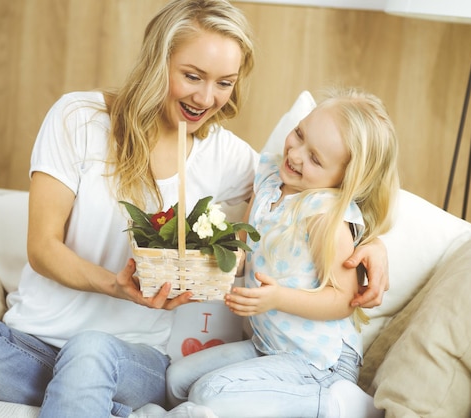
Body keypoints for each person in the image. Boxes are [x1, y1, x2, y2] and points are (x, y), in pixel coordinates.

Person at [0, 1, 388, 417]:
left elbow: (316, 192)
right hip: (34, 342)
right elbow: (42, 248)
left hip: (129, 356)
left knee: (90, 351)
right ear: (157, 62)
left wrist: (372, 244)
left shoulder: (227, 156)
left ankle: (86, 387)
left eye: (224, 83)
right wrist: (116, 285)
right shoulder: (78, 118)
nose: (207, 99)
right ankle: (86, 398)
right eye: (192, 76)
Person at [166, 86, 400, 418]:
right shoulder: (268, 180)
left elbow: (342, 300)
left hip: (320, 364)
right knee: (177, 380)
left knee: (209, 393)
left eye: (315, 158)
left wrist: (276, 298)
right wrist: (217, 259)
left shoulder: (325, 216)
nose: (295, 154)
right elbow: (244, 246)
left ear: (343, 179)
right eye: (300, 134)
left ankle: (337, 405)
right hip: (269, 348)